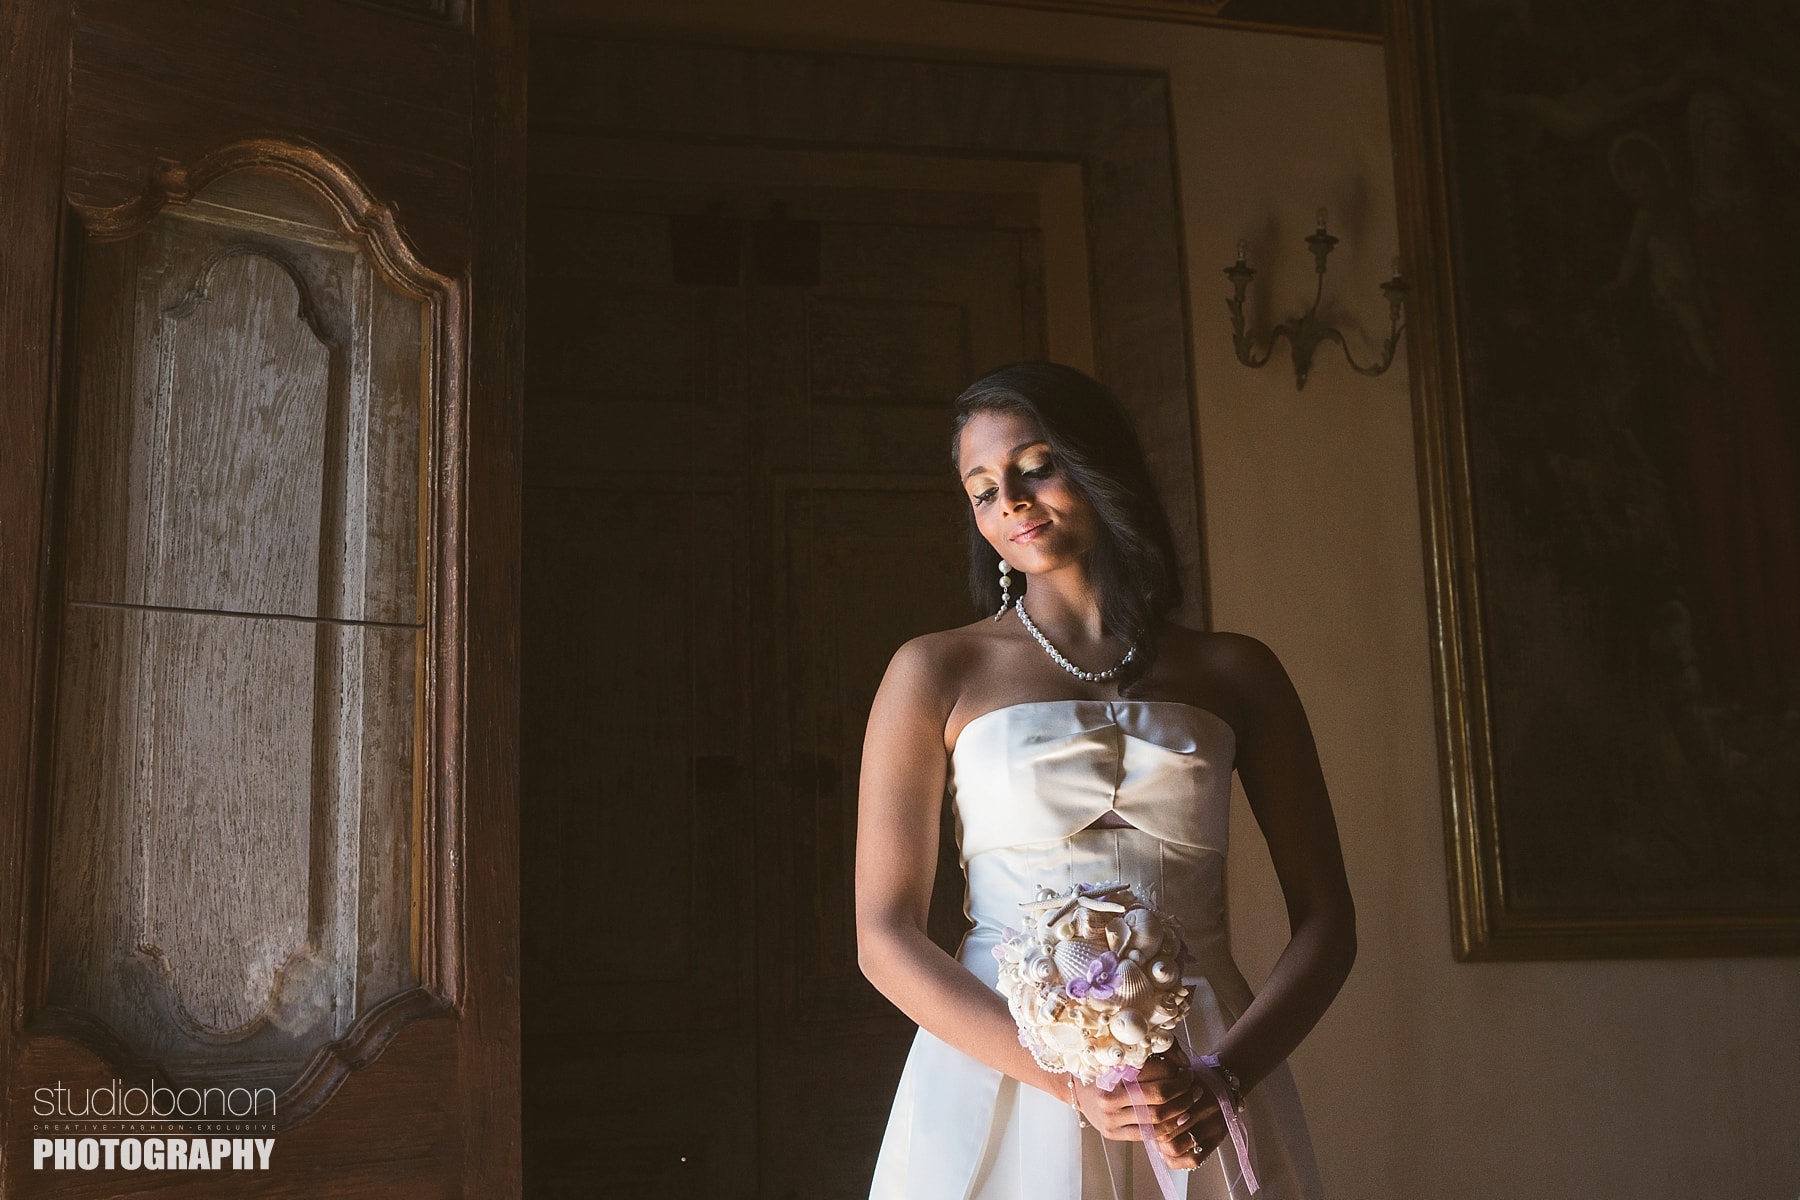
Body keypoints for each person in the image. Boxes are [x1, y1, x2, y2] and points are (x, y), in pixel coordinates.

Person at [856, 363, 1355, 1198]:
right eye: (983, 491)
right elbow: (883, 937)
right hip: (1002, 1067)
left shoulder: (1237, 672)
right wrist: (1066, 1083)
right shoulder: (936, 670)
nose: (1011, 503)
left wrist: (1227, 1077)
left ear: (1100, 465)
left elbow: (1329, 921)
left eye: (1036, 467)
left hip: (1198, 1072)